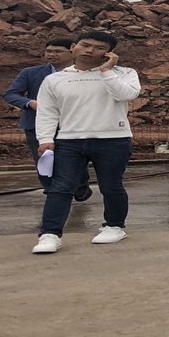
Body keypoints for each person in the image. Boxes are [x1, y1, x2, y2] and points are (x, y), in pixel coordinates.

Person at [32, 30, 142, 255]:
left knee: (111, 186)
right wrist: (45, 139)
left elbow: (126, 95)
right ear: (74, 47)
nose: (90, 51)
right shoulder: (55, 79)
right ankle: (50, 234)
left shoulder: (124, 73)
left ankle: (114, 226)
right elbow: (47, 112)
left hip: (113, 139)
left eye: (99, 48)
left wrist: (106, 71)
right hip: (69, 141)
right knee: (60, 188)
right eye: (85, 45)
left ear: (109, 53)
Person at [2, 38, 92, 199]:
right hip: (37, 124)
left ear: (72, 51)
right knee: (44, 158)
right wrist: (31, 103)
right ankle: (51, 190)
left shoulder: (85, 73)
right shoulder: (30, 73)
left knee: (76, 157)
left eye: (57, 51)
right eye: (49, 51)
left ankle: (80, 185)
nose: (52, 54)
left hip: (73, 123)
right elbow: (11, 94)